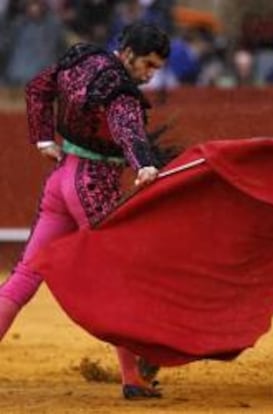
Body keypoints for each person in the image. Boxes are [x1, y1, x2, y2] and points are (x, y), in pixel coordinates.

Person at [0, 22, 170, 400]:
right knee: (122, 280)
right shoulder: (122, 92)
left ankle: (133, 376)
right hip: (92, 186)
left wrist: (43, 137)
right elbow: (129, 131)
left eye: (155, 68)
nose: (149, 74)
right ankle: (133, 378)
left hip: (60, 178)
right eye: (147, 64)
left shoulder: (82, 58)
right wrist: (143, 163)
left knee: (25, 274)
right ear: (127, 53)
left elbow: (38, 89)